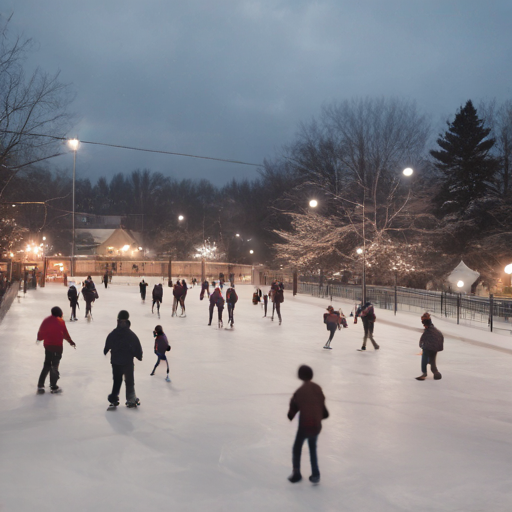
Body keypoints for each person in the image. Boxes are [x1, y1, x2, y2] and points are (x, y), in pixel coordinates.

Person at [287, 365, 328, 484]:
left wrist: (290, 414)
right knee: (312, 448)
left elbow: (293, 408)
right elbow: (322, 404)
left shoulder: (299, 392)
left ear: (300, 376)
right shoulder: (318, 388)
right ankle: (315, 474)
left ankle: (296, 473)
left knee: (297, 448)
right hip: (316, 425)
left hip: (305, 425)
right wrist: (322, 414)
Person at [104, 310, 143, 407]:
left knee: (117, 381)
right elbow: (136, 346)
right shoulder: (130, 334)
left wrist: (106, 350)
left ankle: (113, 398)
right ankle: (131, 398)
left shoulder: (113, 333)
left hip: (116, 362)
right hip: (127, 362)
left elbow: (108, 344)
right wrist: (138, 355)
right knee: (129, 381)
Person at [36, 306, 76, 394]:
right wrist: (71, 342)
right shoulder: (61, 322)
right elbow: (65, 334)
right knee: (54, 366)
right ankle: (53, 386)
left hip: (48, 347)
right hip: (57, 347)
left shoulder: (46, 320)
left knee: (47, 365)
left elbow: (41, 332)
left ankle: (40, 385)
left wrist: (39, 338)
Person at [416, 312, 444, 380]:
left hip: (429, 347)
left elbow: (422, 340)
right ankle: (436, 372)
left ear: (425, 324)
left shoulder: (428, 331)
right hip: (436, 348)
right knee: (432, 360)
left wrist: (421, 346)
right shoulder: (435, 329)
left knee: (424, 356)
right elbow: (441, 337)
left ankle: (424, 372)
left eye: (423, 324)